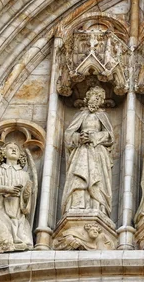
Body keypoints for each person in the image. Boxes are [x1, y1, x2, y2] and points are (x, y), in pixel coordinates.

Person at [61, 86, 114, 217]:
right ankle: (78, 205)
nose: (95, 100)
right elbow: (68, 134)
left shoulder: (102, 116)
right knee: (79, 177)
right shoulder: (81, 115)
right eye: (93, 97)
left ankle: (97, 206)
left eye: (99, 98)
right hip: (82, 150)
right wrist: (78, 138)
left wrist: (93, 137)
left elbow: (109, 135)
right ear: (87, 98)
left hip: (97, 151)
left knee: (97, 180)